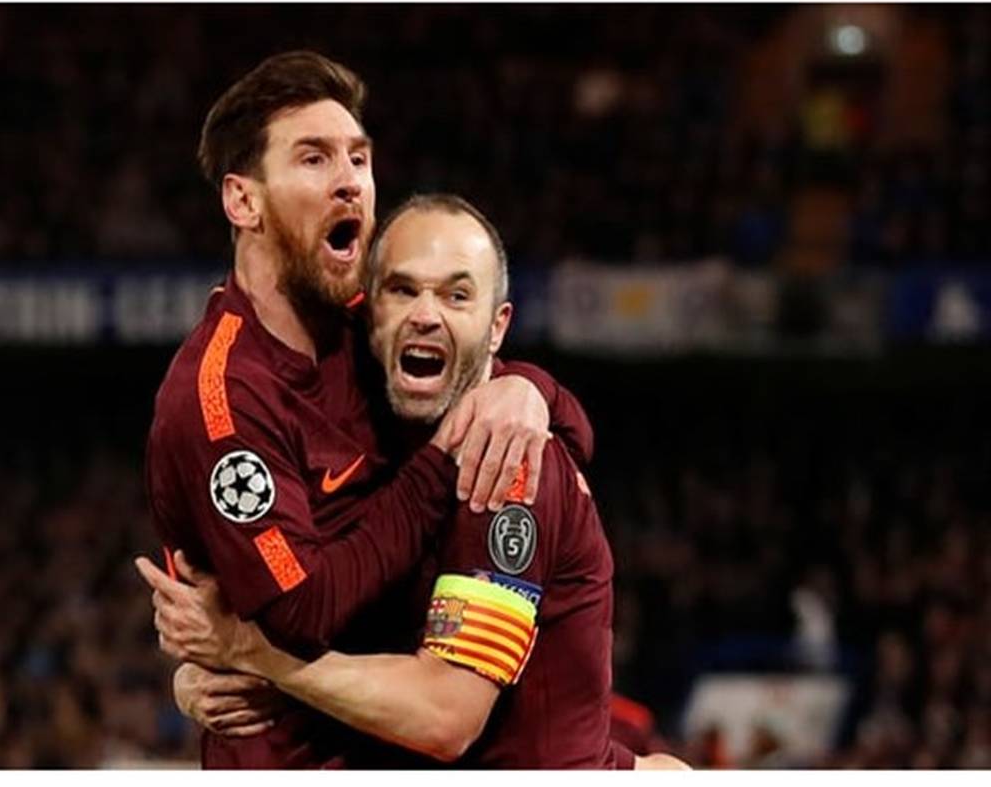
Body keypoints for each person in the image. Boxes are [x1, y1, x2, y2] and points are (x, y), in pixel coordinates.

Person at [142, 52, 593, 768]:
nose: (350, 180)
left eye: (359, 157)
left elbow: (566, 428)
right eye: (314, 158)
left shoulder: (367, 323)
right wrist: (445, 455)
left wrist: (531, 390)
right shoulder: (223, 396)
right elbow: (303, 611)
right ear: (243, 202)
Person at [140, 195, 690, 769]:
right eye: (402, 290)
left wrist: (251, 654)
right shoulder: (380, 439)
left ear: (498, 327)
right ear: (368, 312)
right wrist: (209, 670)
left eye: (457, 295)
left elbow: (444, 717)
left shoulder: (504, 465)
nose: (425, 314)